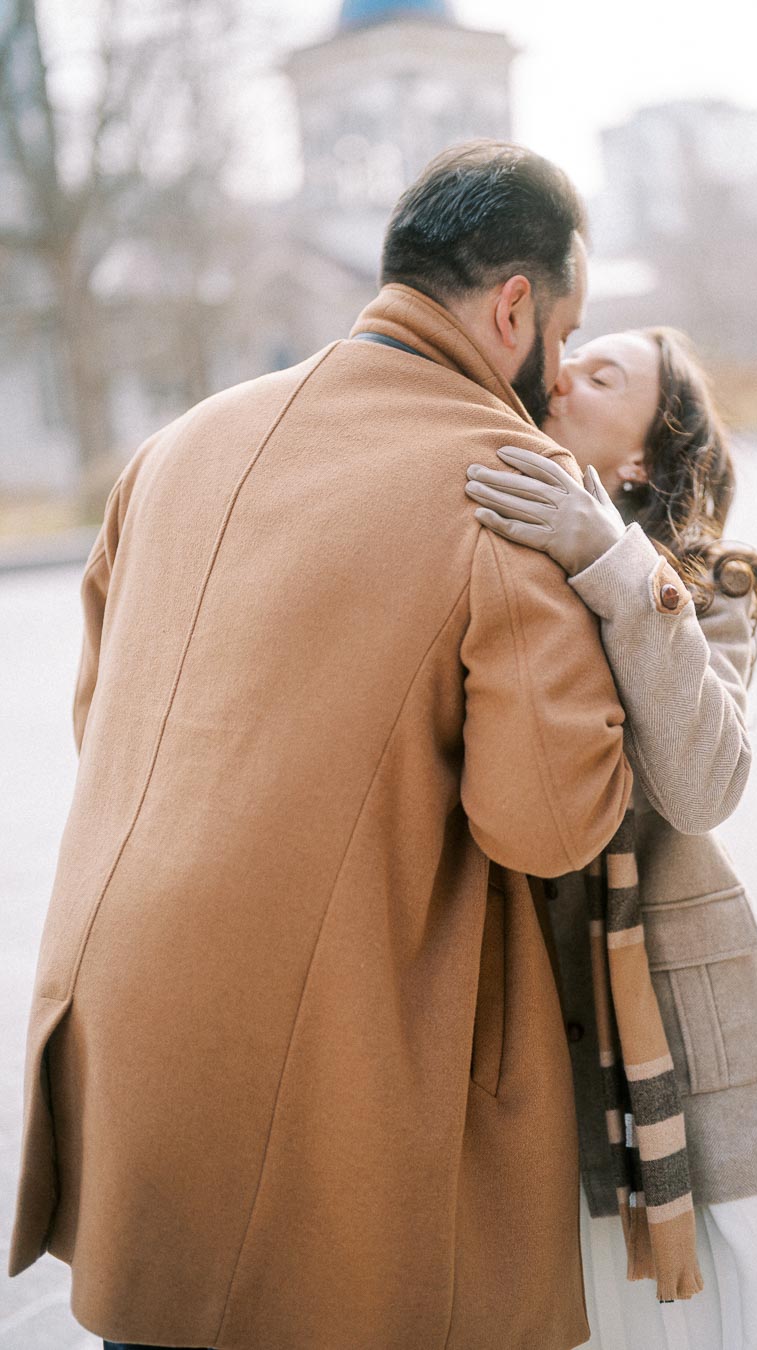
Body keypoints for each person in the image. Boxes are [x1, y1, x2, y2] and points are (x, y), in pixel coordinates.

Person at [8, 143, 635, 1350]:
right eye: (569, 328)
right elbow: (546, 821)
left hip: (124, 1036)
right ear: (517, 308)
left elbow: (101, 719)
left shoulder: (178, 445)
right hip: (336, 1079)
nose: (559, 372)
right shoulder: (508, 482)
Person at [464, 326, 757, 1348]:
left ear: (641, 459)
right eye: (566, 356)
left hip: (688, 1014)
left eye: (602, 374)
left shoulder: (714, 594)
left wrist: (611, 564)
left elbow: (702, 788)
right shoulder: (484, 543)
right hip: (541, 1028)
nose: (560, 372)